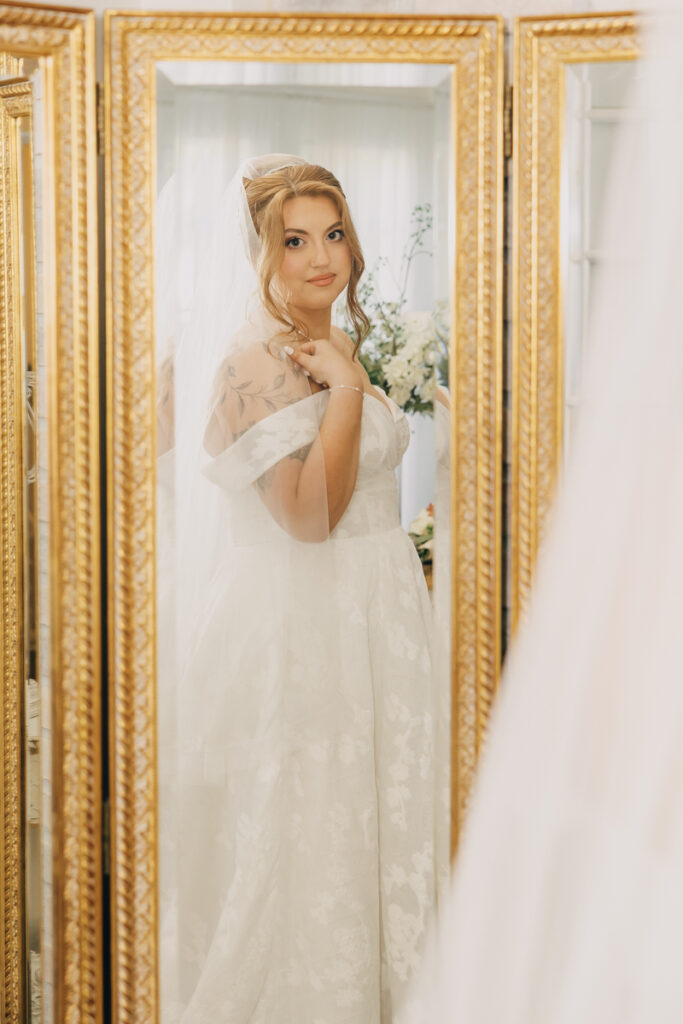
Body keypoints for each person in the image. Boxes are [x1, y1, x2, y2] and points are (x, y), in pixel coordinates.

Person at [161, 156, 448, 1023]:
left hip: (374, 617)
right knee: (311, 831)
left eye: (333, 235)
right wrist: (351, 391)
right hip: (302, 627)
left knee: (378, 824)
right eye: (293, 241)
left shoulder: (331, 349)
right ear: (258, 255)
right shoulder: (255, 368)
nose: (322, 258)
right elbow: (308, 518)